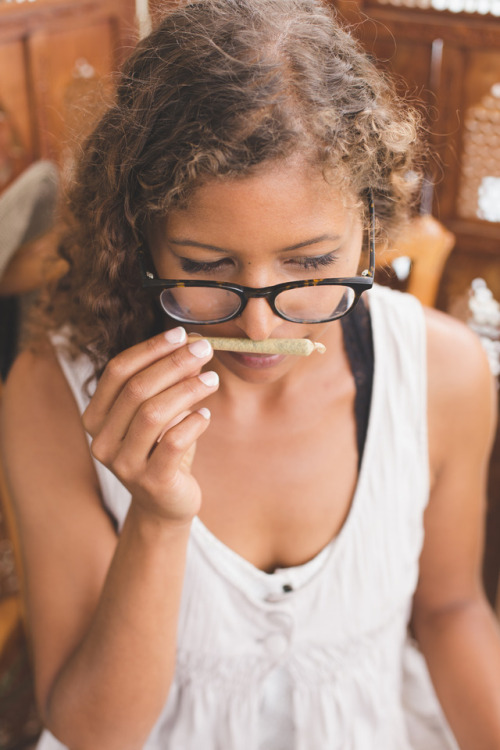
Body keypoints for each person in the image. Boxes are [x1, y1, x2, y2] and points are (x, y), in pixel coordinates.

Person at [1, 1, 500, 748]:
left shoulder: (447, 373)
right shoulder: (52, 394)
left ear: (371, 224)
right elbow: (93, 732)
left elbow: (451, 607)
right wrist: (159, 518)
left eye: (310, 264)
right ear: (142, 234)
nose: (260, 327)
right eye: (206, 268)